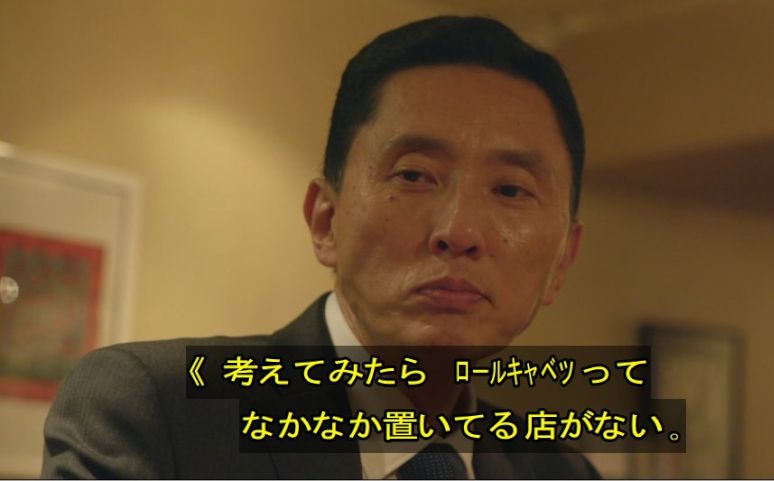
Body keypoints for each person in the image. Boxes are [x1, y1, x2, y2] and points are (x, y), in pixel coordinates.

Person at [41, 16, 597, 479]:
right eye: (413, 175)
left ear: (561, 262)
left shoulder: (560, 471)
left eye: (510, 190)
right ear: (325, 220)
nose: (459, 230)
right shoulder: (157, 412)